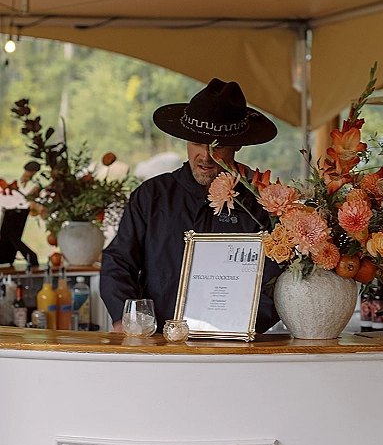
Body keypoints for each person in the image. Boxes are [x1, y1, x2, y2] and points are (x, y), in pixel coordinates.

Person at [100, 78, 280, 333]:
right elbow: (119, 261)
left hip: (235, 347)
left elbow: (276, 283)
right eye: (197, 142)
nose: (206, 156)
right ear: (185, 139)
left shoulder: (261, 205)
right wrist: (125, 318)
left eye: (218, 146)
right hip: (157, 346)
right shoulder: (151, 196)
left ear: (237, 144)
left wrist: (242, 326)